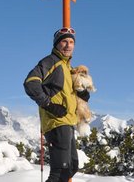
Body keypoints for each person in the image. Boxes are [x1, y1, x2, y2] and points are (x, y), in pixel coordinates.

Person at [24, 27, 90, 182]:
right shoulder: (51, 61)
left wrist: (81, 94)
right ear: (56, 44)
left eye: (71, 42)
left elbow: (63, 92)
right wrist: (48, 104)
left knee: (72, 167)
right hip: (56, 122)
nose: (68, 45)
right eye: (64, 42)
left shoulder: (67, 67)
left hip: (67, 122)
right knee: (59, 171)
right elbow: (30, 83)